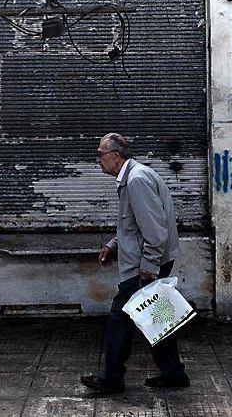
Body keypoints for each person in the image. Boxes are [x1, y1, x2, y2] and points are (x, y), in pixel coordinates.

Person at [80, 133, 190, 394]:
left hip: (144, 264)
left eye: (100, 154)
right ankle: (174, 374)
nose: (98, 160)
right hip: (147, 259)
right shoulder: (132, 178)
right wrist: (112, 245)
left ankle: (111, 378)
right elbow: (133, 226)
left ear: (116, 156)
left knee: (121, 315)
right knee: (156, 317)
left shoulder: (137, 180)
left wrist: (149, 266)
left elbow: (154, 231)